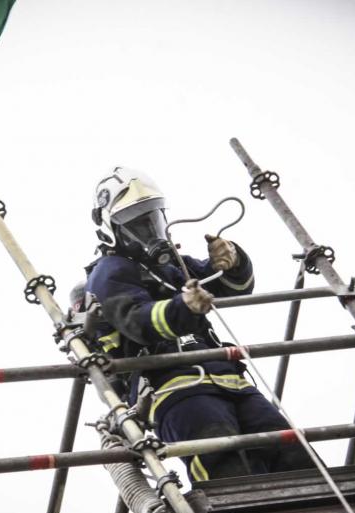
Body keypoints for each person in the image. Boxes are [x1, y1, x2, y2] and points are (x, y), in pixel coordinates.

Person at [83, 167, 312, 482]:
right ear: (112, 228)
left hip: (233, 383)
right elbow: (137, 322)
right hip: (173, 389)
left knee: (293, 453)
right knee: (225, 468)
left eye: (153, 218)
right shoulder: (110, 271)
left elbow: (235, 288)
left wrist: (232, 261)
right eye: (137, 223)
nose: (150, 230)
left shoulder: (176, 267)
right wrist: (183, 307)